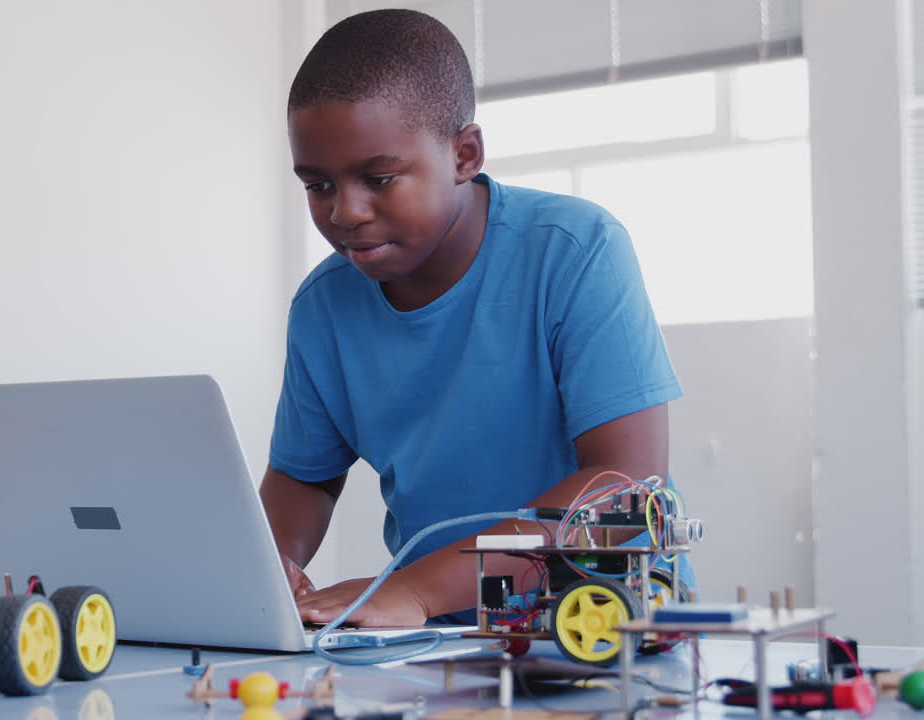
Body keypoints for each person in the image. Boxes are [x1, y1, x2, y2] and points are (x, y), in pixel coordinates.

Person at [261, 8, 686, 628]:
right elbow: (305, 477)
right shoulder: (323, 305)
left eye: (378, 178)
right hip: (440, 644)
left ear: (465, 154)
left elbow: (624, 486)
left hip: (603, 624)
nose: (345, 212)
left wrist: (417, 590)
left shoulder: (575, 250)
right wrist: (272, 562)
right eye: (318, 185)